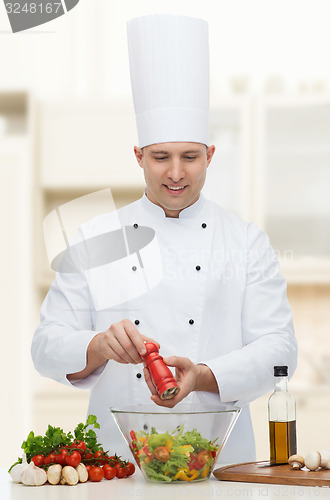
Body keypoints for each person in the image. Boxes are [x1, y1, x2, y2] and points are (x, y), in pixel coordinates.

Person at [32, 14, 297, 464]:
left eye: (190, 156)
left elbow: (281, 349)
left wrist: (205, 374)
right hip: (117, 469)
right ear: (138, 155)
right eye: (160, 157)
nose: (176, 173)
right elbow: (44, 345)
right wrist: (96, 347)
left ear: (210, 154)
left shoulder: (246, 241)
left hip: (220, 468)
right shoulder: (96, 236)